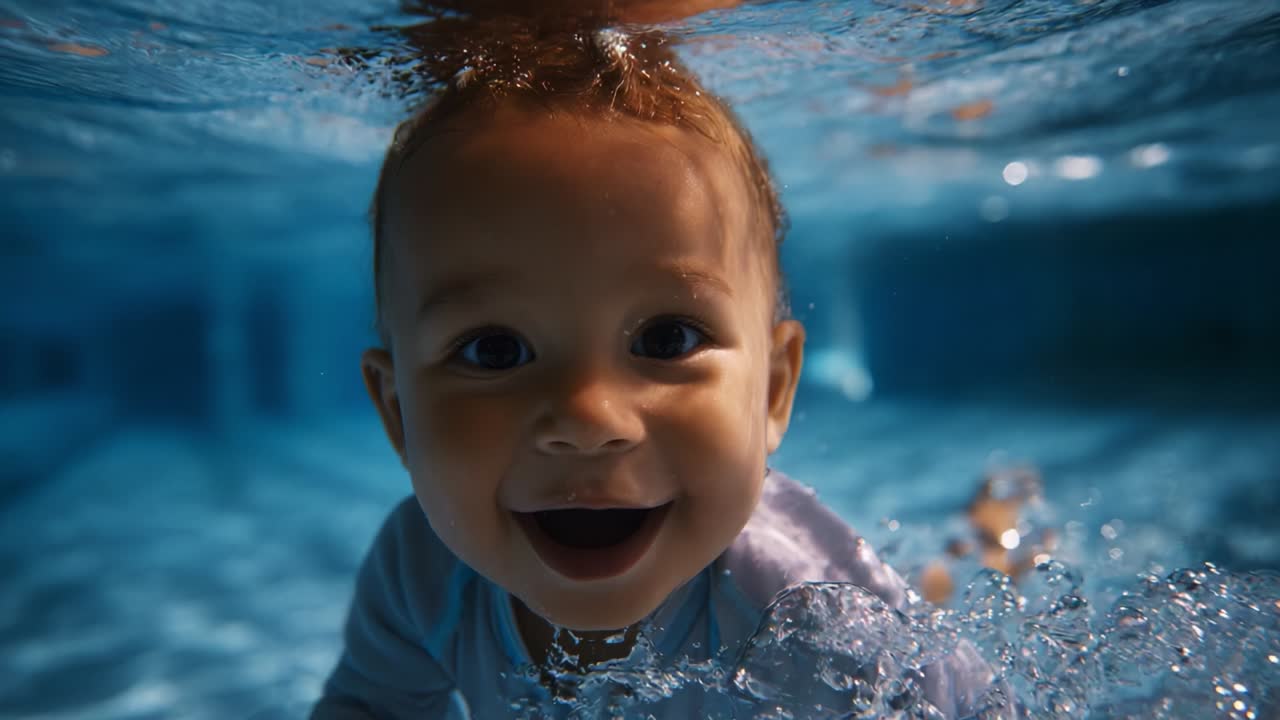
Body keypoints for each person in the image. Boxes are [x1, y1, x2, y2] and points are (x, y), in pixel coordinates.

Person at [311, 16, 999, 719]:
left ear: (772, 390)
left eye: (667, 339)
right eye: (494, 350)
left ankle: (990, 534)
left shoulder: (813, 624)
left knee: (937, 596)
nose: (587, 418)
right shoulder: (418, 575)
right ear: (397, 413)